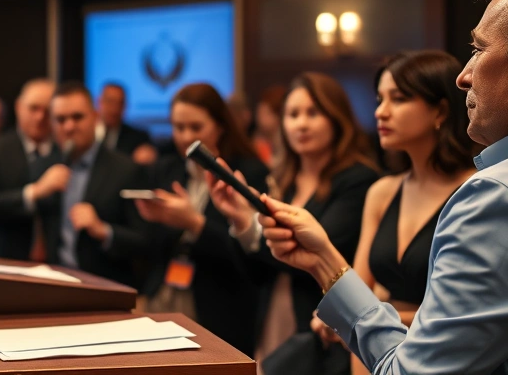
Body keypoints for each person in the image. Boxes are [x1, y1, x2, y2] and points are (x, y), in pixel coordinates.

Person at [256, 0, 508, 374]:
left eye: (479, 50)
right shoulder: (388, 189)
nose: (465, 74)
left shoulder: (500, 197)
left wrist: (325, 265)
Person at [309, 51, 477, 375]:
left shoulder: (476, 191)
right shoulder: (382, 192)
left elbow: (467, 312)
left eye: (398, 99)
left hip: (443, 360)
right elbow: (359, 291)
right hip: (376, 354)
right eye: (379, 99)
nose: (380, 112)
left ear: (441, 109)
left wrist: (367, 315)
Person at [210, 72, 379, 364]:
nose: (301, 124)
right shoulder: (282, 182)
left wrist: (252, 225)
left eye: (312, 113)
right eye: (292, 114)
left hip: (321, 324)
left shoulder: (358, 180)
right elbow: (257, 273)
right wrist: (240, 220)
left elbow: (309, 256)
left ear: (336, 118)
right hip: (271, 315)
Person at [135, 83, 270, 356]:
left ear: (220, 126)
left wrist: (195, 224)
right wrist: (154, 217)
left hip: (221, 303)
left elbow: (250, 258)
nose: (186, 137)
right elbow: (149, 246)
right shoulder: (166, 168)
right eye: (178, 127)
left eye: (196, 128)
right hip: (166, 293)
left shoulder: (245, 173)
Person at [35, 81, 150, 287]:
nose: (69, 126)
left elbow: (146, 241)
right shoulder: (44, 168)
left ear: (95, 117)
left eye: (77, 117)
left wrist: (103, 230)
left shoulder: (125, 169)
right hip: (54, 284)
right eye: (60, 120)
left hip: (106, 287)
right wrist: (37, 191)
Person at [0, 78, 58, 260]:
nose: (40, 117)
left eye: (48, 110)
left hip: (57, 262)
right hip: (3, 258)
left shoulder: (64, 153)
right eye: (34, 108)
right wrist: (34, 193)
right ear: (19, 107)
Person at [96, 82, 159, 165]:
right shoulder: (86, 133)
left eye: (120, 103)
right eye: (110, 101)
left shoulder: (139, 139)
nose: (114, 109)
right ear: (99, 102)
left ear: (125, 106)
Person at [253, 85, 288, 167]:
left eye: (265, 113)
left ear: (279, 115)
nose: (259, 117)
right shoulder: (259, 137)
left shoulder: (286, 139)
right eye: (259, 113)